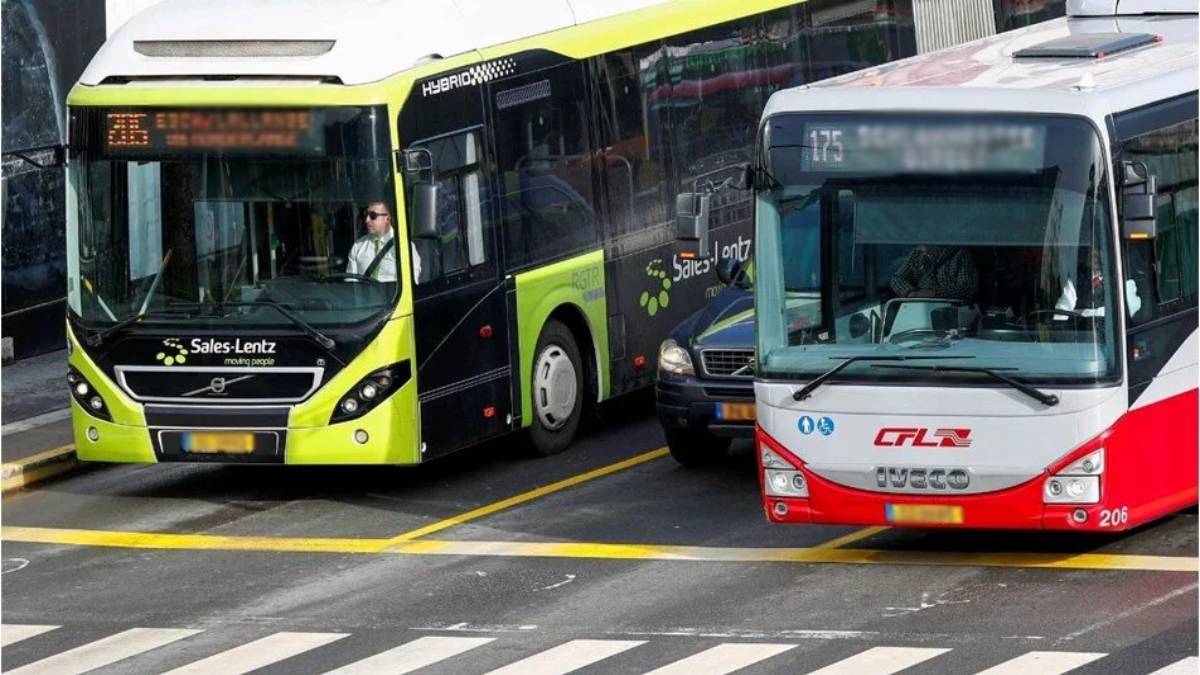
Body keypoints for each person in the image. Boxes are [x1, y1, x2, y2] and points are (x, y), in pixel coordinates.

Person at [345, 202, 421, 283]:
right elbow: (350, 281)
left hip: (393, 295)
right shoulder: (358, 246)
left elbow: (411, 281)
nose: (367, 220)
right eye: (366, 215)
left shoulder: (403, 246)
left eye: (372, 216)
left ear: (387, 219)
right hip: (364, 294)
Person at [890, 244, 978, 303]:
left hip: (953, 308)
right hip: (920, 306)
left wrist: (934, 293)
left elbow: (967, 287)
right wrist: (909, 292)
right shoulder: (917, 254)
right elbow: (897, 278)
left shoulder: (960, 254)